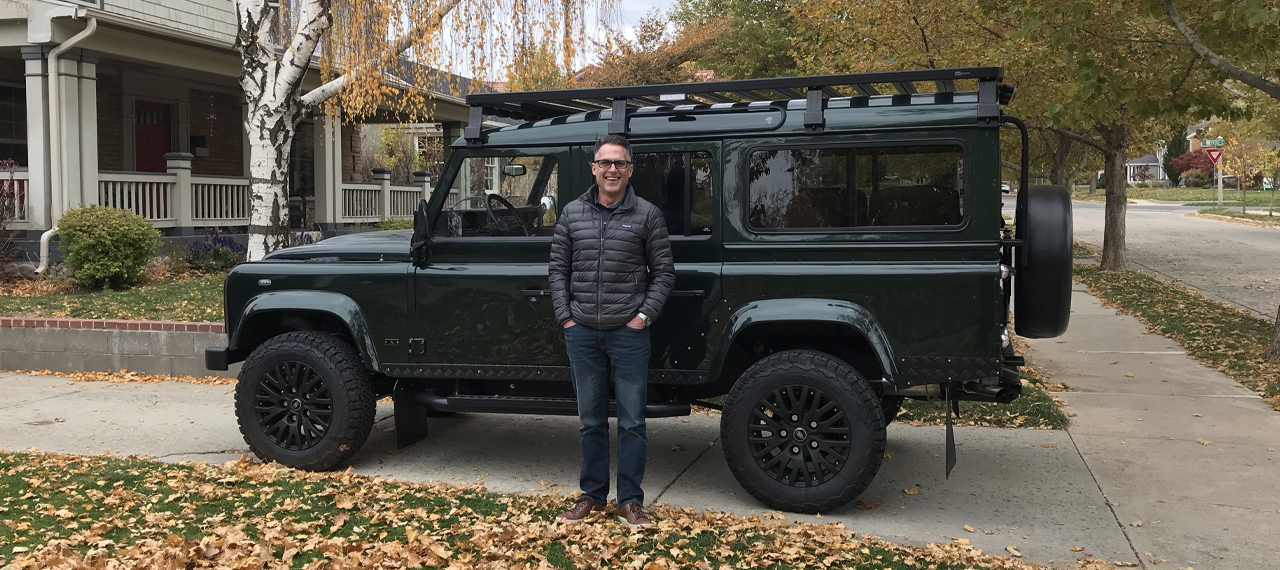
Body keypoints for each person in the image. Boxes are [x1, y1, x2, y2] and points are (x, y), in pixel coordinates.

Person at [548, 134, 675, 528]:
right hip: (582, 332)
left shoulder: (647, 215)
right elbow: (557, 271)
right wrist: (566, 317)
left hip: (629, 334)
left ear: (630, 169)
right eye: (605, 162)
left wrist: (643, 318)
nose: (612, 169)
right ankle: (592, 496)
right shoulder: (572, 214)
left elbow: (665, 273)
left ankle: (630, 502)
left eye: (619, 163)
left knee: (633, 422)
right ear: (594, 168)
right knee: (590, 421)